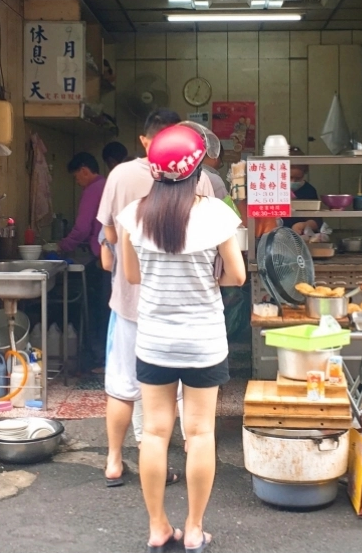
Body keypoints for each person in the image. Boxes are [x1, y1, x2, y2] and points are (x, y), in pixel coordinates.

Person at [117, 124, 245, 553]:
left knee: (154, 434)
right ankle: (193, 529)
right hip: (204, 343)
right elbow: (237, 276)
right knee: (200, 433)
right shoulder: (215, 215)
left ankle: (158, 528)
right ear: (197, 171)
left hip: (154, 340)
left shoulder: (133, 215)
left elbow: (132, 276)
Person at [96, 109, 216, 491]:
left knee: (122, 386)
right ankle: (169, 470)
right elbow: (215, 249)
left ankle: (115, 461)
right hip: (185, 310)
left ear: (147, 141)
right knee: (180, 407)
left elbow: (110, 237)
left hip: (131, 304)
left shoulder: (119, 176)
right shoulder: (203, 180)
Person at [59, 152, 109, 369]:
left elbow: (82, 228)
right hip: (113, 257)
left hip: (100, 259)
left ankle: (98, 358)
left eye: (77, 177)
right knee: (107, 311)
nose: (77, 182)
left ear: (84, 170)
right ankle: (106, 357)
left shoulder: (93, 190)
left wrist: (63, 246)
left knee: (96, 311)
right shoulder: (107, 185)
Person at [282, 146, 321, 236]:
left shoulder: (308, 191)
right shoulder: (271, 190)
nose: (293, 182)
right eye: (289, 177)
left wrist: (305, 225)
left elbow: (317, 221)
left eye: (298, 178)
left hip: (300, 240)